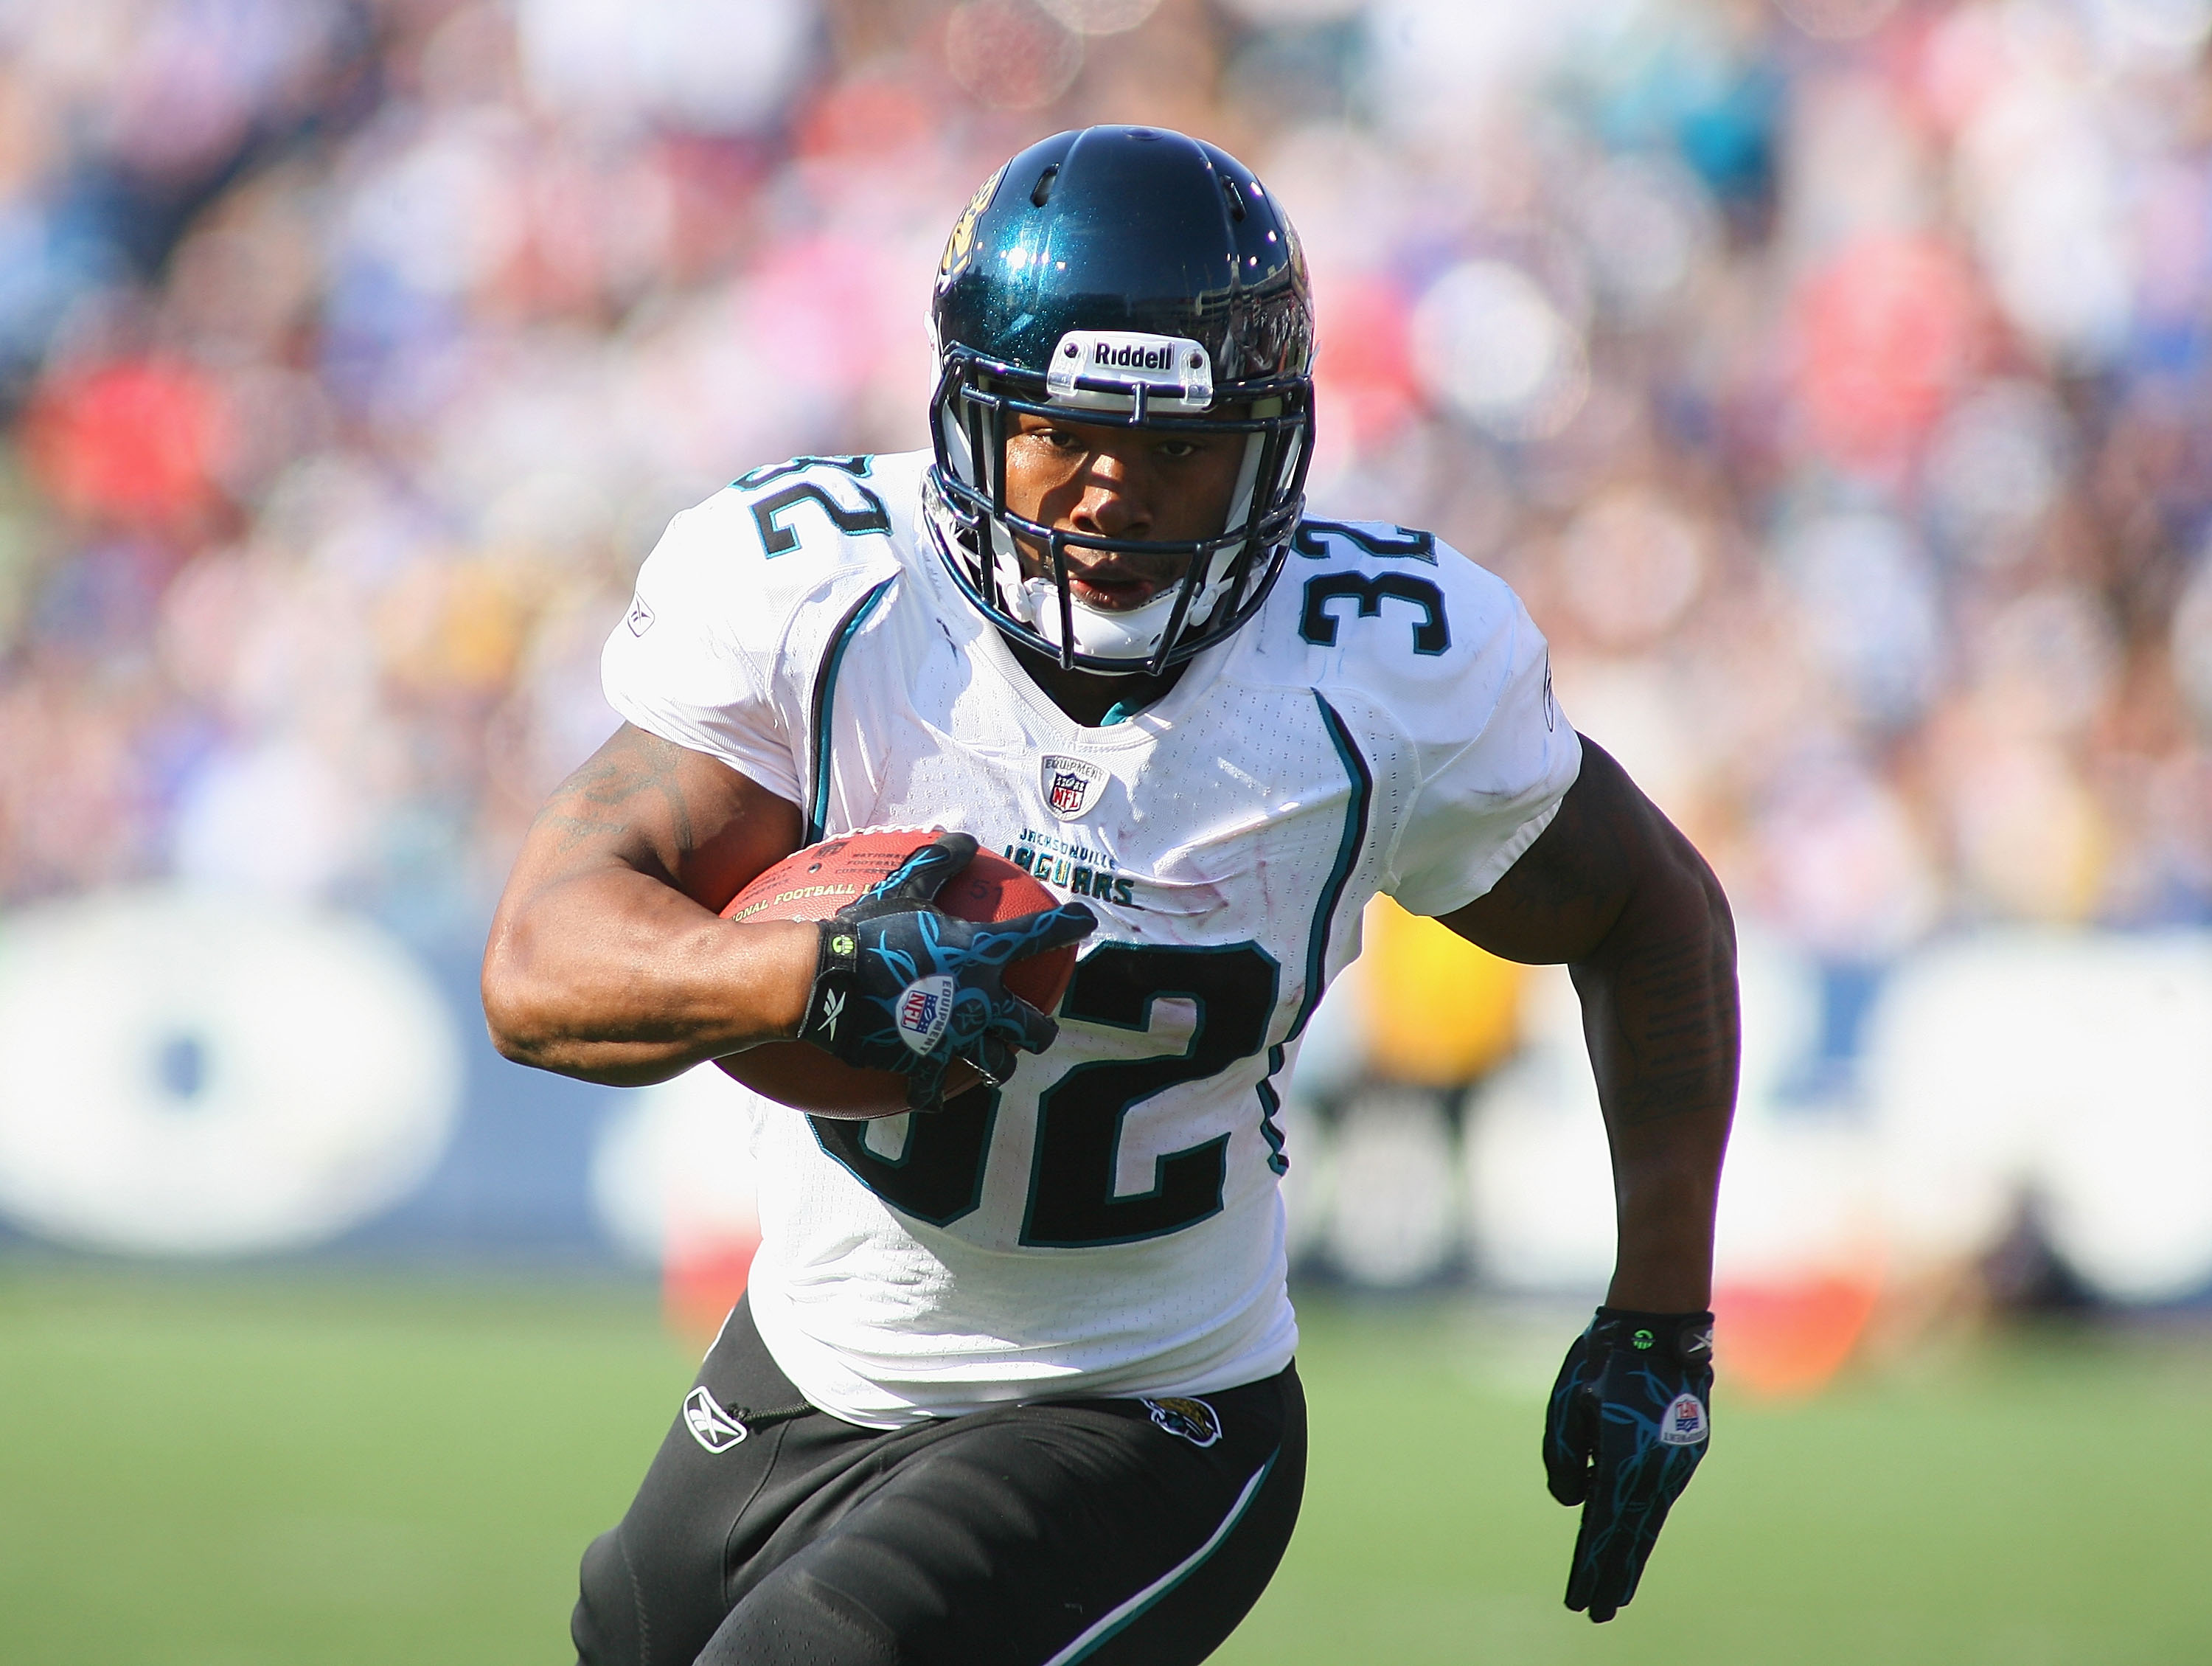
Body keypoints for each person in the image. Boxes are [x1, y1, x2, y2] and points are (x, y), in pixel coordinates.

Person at [483, 125, 1736, 1666]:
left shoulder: (1378, 672)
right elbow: (540, 962)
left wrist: (1660, 1313)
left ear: (1273, 442)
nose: (1113, 489)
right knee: (627, 1635)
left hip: (1148, 1407)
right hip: (818, 1358)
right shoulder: (823, 603)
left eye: (1179, 444)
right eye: (1066, 428)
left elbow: (1653, 911)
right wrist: (815, 980)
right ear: (966, 416)